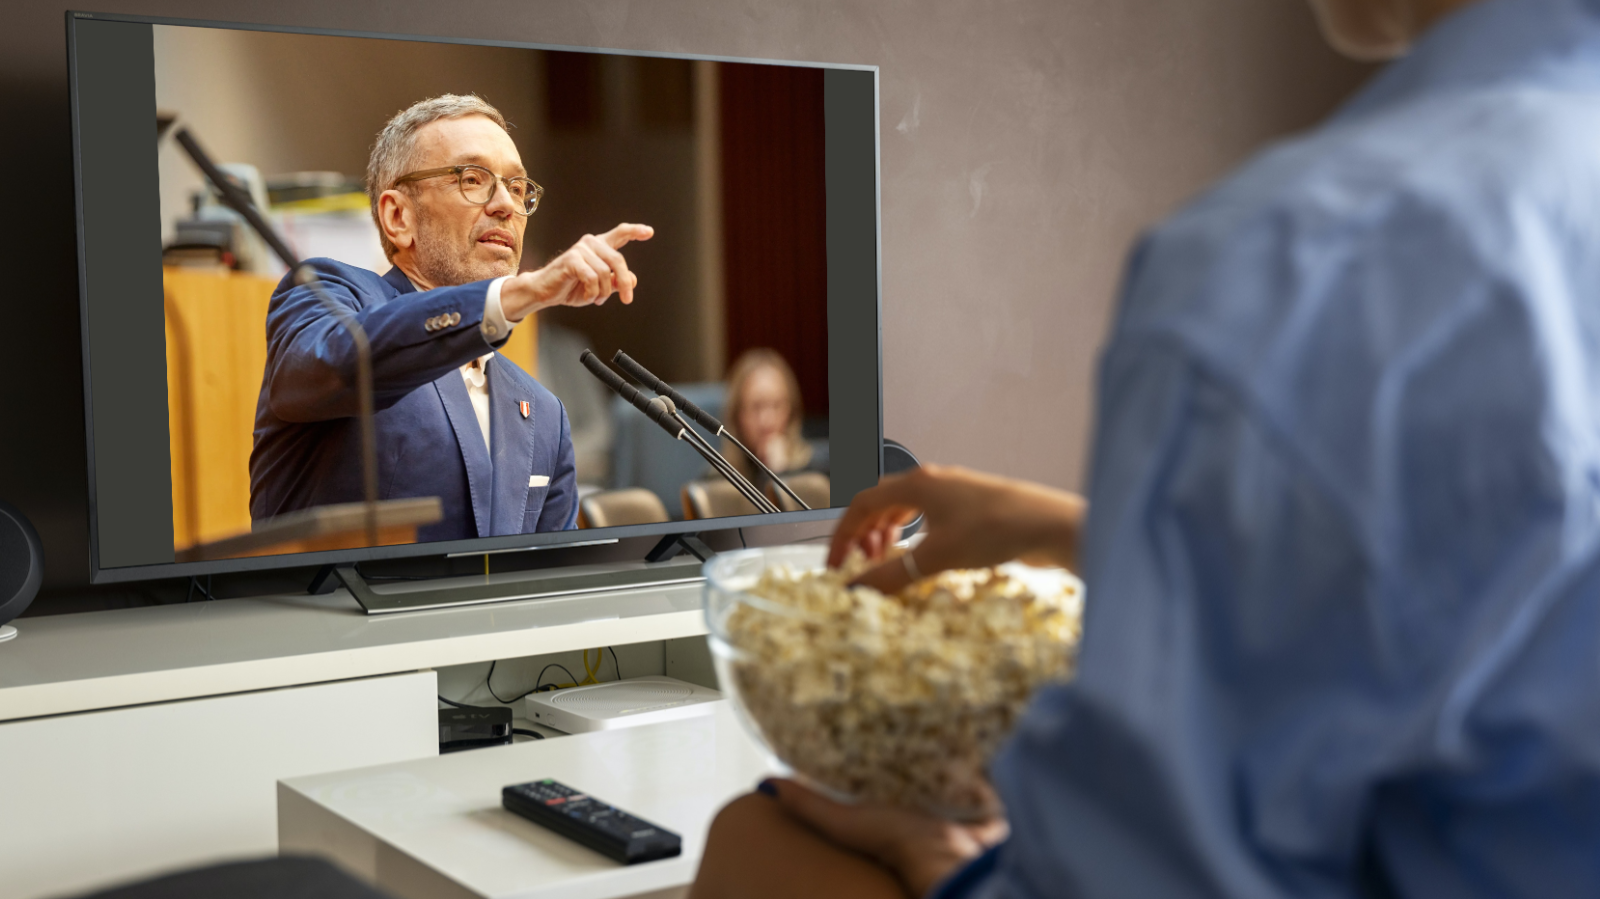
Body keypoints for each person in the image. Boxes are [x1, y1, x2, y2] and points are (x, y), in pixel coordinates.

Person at [691, 0, 1600, 896]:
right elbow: (1478, 579)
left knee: (748, 836)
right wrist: (1056, 526)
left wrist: (941, 865)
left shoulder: (1310, 255)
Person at [249, 94, 653, 542]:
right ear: (397, 216)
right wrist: (517, 293)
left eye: (518, 188)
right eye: (473, 179)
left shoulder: (543, 413)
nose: (505, 205)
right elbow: (338, 362)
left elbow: (549, 586)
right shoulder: (326, 294)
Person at [721, 348, 824, 485]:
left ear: (791, 412)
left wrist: (781, 472)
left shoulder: (818, 474)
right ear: (737, 415)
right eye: (756, 407)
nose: (767, 421)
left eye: (776, 405)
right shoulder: (715, 480)